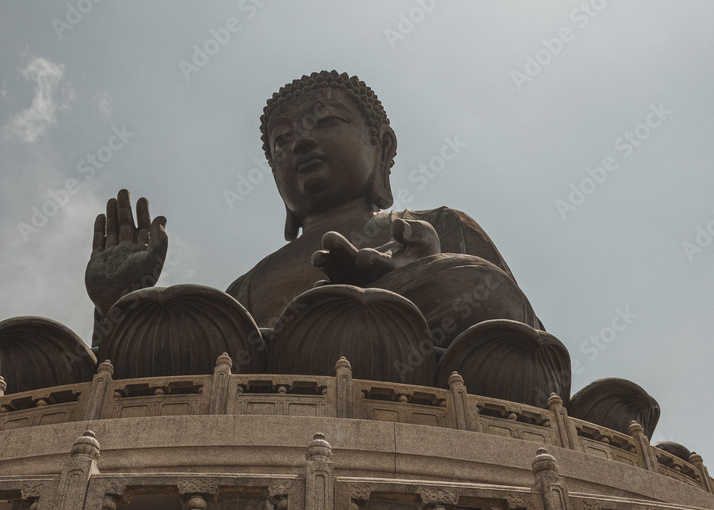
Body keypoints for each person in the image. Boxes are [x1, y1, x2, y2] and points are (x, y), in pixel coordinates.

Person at [86, 71, 539, 347]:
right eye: (281, 141)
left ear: (381, 147)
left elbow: (526, 335)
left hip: (418, 379)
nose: (299, 142)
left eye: (325, 122)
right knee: (204, 333)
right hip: (269, 408)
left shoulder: (440, 226)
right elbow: (146, 387)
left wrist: (406, 281)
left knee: (473, 281)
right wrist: (117, 308)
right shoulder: (246, 286)